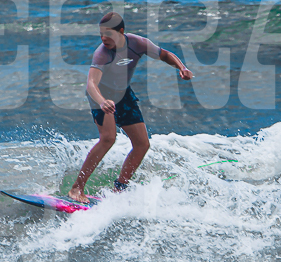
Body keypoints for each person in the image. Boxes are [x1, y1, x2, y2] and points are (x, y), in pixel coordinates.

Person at [68, 11, 193, 203]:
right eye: (101, 34)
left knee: (142, 144)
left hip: (123, 94)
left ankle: (119, 188)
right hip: (101, 95)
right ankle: (77, 188)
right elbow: (91, 84)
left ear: (121, 32)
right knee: (108, 138)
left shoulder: (138, 43)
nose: (103, 39)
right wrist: (102, 101)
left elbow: (165, 54)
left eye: (108, 34)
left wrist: (181, 67)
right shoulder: (102, 53)